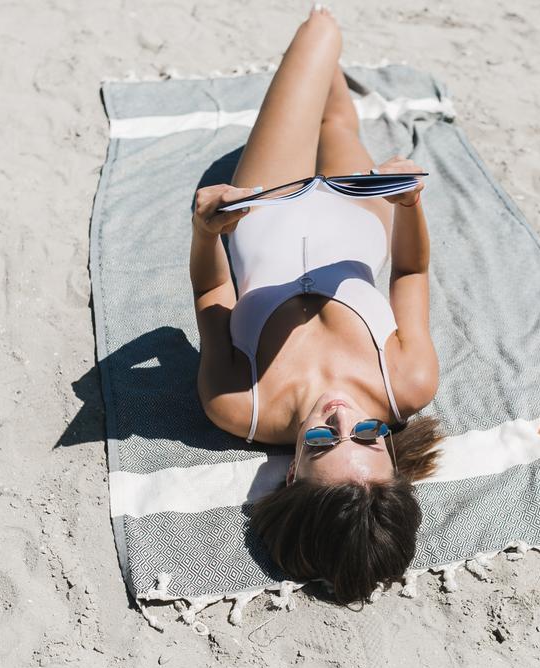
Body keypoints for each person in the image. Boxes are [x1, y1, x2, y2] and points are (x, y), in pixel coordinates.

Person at [188, 4, 442, 604]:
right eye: (371, 436)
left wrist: (204, 231)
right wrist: (408, 205)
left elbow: (210, 294)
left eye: (324, 443)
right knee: (336, 121)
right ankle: (329, 83)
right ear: (394, 458)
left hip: (265, 206)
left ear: (293, 472)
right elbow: (410, 268)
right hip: (359, 211)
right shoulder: (406, 381)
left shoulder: (238, 404)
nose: (340, 417)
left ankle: (324, 48)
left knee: (319, 32)